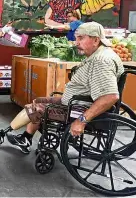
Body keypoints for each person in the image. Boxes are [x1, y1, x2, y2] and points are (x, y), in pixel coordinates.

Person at [3, 22, 124, 154]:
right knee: (38, 101)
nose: (76, 42)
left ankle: (17, 135)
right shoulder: (99, 55)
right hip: (75, 102)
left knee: (34, 109)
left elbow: (110, 96)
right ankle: (26, 138)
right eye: (76, 38)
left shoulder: (101, 61)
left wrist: (82, 121)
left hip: (77, 109)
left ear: (96, 40)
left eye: (81, 38)